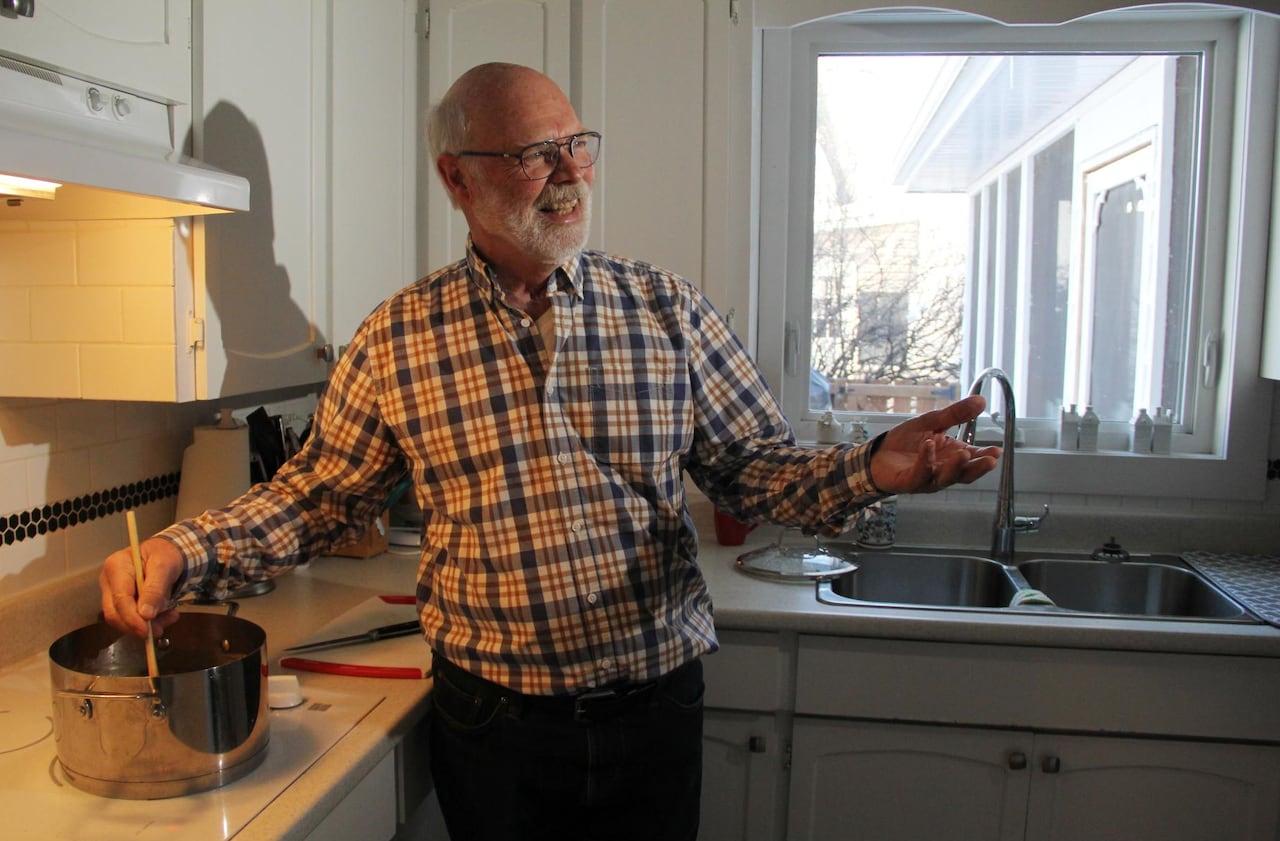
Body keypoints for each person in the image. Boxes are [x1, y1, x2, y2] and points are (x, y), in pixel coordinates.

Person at [100, 62, 999, 840]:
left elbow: (753, 469)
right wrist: (185, 549)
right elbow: (318, 496)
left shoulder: (666, 309)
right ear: (457, 178)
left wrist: (870, 467)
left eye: (577, 144)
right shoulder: (397, 338)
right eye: (536, 153)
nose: (571, 173)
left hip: (655, 709)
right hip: (495, 727)